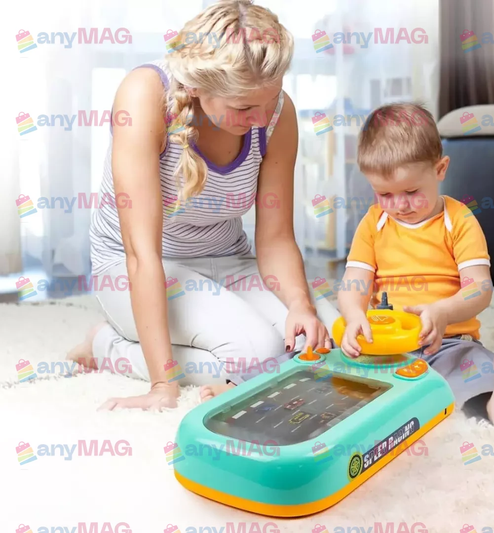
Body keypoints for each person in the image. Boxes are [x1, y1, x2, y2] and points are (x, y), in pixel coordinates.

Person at [68, 0, 339, 410]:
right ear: (196, 87)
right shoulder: (144, 96)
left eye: (270, 100)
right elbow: (142, 255)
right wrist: (163, 386)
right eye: (244, 108)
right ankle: (106, 345)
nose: (262, 119)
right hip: (135, 266)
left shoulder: (276, 115)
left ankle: (187, 344)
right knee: (258, 353)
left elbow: (277, 237)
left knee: (327, 337)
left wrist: (301, 305)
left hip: (228, 259)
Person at [338, 102, 494, 426]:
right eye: (384, 194)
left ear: (440, 169)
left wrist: (442, 311)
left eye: (411, 191)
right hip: (383, 342)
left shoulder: (459, 221)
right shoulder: (373, 223)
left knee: (472, 367)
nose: (399, 205)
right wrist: (354, 314)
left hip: (446, 342)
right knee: (336, 364)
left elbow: (480, 289)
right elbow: (353, 282)